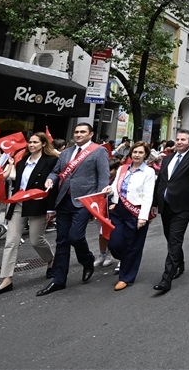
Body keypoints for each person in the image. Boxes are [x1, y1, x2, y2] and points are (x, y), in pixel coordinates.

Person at [38, 123, 110, 296]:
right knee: (62, 240)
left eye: (82, 132)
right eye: (76, 132)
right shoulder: (66, 152)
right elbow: (56, 172)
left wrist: (99, 202)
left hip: (84, 201)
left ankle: (87, 259)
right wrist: (50, 180)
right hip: (64, 200)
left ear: (90, 134)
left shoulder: (98, 151)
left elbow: (103, 177)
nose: (78, 134)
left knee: (75, 237)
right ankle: (58, 279)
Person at [0, 133, 58, 297]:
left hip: (38, 204)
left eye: (35, 142)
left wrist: (50, 209)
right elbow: (16, 181)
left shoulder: (51, 161)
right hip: (18, 202)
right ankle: (6, 279)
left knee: (35, 239)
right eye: (30, 142)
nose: (31, 144)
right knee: (11, 241)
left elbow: (53, 185)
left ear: (43, 144)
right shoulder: (21, 162)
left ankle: (51, 260)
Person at [152, 129, 189, 293]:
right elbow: (161, 181)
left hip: (183, 205)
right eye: (178, 139)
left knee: (175, 239)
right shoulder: (167, 158)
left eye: (183, 139)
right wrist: (154, 203)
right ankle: (179, 264)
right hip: (166, 204)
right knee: (170, 238)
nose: (180, 142)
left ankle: (166, 278)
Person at [105, 142, 156, 291]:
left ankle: (126, 277)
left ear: (145, 155)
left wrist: (143, 216)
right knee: (115, 244)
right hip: (120, 210)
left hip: (136, 212)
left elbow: (148, 195)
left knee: (132, 246)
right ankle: (126, 260)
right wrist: (109, 190)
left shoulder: (149, 172)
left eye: (140, 152)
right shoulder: (122, 169)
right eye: (135, 152)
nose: (137, 155)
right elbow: (115, 188)